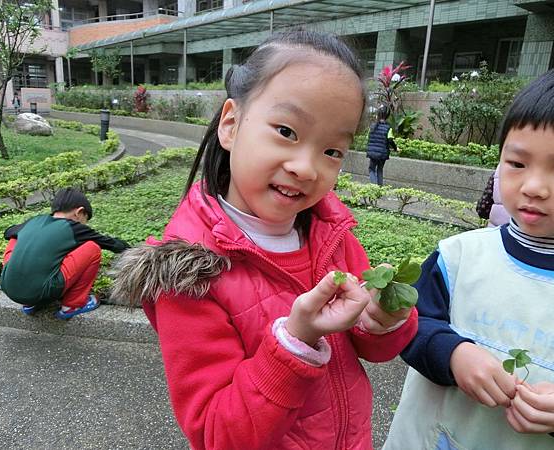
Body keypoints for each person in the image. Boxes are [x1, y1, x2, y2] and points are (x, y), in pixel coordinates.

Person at [112, 30, 418, 449]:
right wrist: (296, 341)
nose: (307, 167)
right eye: (287, 132)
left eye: (332, 151)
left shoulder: (332, 235)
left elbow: (373, 348)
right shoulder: (190, 275)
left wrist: (384, 319)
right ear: (232, 125)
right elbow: (217, 435)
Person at [383, 70, 554, 449]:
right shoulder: (457, 257)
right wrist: (454, 353)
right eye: (517, 164)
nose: (534, 187)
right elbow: (408, 326)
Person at [1, 188, 130, 319]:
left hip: (8, 288)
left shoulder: (35, 221)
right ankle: (72, 305)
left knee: (15, 237)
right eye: (86, 219)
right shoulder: (74, 227)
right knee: (93, 248)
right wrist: (136, 251)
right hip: (43, 290)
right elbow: (112, 244)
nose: (85, 224)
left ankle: (30, 303)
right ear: (79, 212)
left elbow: (8, 232)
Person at [366, 105, 397, 185]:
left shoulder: (372, 126)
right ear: (387, 116)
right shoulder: (388, 128)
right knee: (380, 170)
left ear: (378, 114)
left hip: (373, 153)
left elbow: (368, 138)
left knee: (371, 169)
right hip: (383, 153)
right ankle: (380, 188)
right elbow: (390, 140)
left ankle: (374, 186)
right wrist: (395, 148)